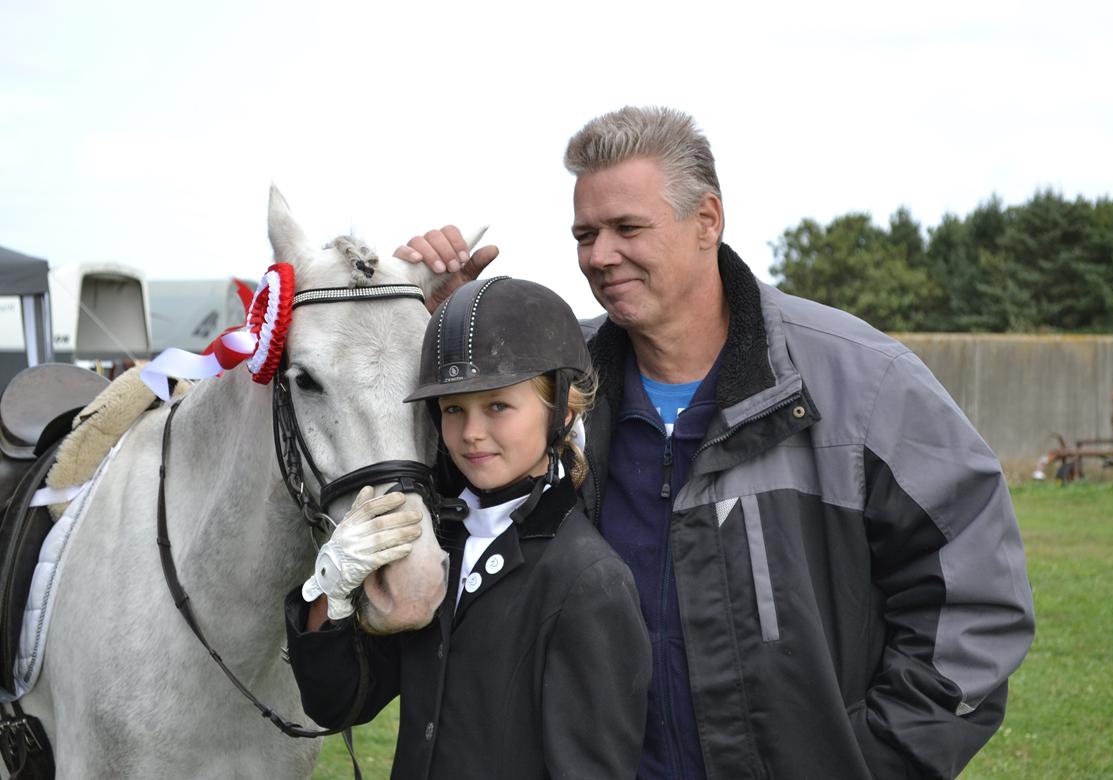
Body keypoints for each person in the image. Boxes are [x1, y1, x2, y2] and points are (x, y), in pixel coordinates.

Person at [395, 105, 1036, 779]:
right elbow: (448, 514)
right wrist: (450, 335)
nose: (598, 256)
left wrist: (872, 761)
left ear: (708, 220)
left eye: (626, 228)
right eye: (585, 233)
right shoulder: (554, 385)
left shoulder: (863, 382)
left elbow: (976, 597)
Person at [284, 277, 652, 779]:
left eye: (497, 405)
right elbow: (339, 705)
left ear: (563, 412)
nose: (471, 433)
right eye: (453, 409)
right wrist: (332, 590)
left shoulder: (589, 581)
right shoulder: (437, 545)